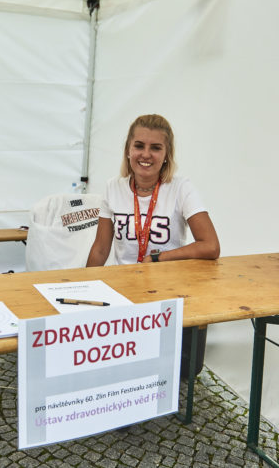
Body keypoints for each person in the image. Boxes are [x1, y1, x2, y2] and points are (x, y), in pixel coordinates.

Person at [86, 114, 220, 375]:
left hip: (165, 291)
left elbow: (211, 246)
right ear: (128, 150)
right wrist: (85, 292)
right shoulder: (113, 187)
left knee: (161, 368)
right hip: (123, 291)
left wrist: (159, 258)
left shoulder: (181, 188)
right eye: (139, 146)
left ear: (167, 154)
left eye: (155, 148)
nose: (146, 155)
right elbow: (101, 248)